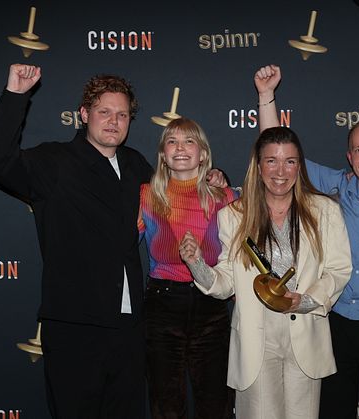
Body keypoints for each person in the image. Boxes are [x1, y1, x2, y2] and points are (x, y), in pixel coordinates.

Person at [0, 64, 152, 418]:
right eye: (104, 111)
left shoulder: (136, 165)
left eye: (122, 114)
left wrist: (215, 178)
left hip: (129, 326)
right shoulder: (53, 161)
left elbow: (177, 195)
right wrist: (15, 94)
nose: (113, 121)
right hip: (75, 327)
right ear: (84, 114)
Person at [254, 65, 359, 419]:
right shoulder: (336, 187)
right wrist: (266, 96)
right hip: (336, 324)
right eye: (358, 150)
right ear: (349, 157)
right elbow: (279, 150)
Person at [179, 126, 352, 419]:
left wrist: (304, 300)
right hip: (256, 338)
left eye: (290, 161)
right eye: (271, 160)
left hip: (305, 330)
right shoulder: (234, 216)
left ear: (300, 165)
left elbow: (338, 270)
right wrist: (197, 264)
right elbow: (225, 283)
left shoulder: (325, 211)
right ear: (258, 167)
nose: (280, 171)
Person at [139, 118, 236, 419]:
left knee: (215, 403)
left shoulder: (225, 198)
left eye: (189, 141)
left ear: (203, 154)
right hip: (162, 307)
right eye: (172, 141)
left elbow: (239, 258)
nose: (180, 148)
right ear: (163, 154)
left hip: (212, 307)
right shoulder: (145, 196)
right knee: (166, 405)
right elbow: (119, 246)